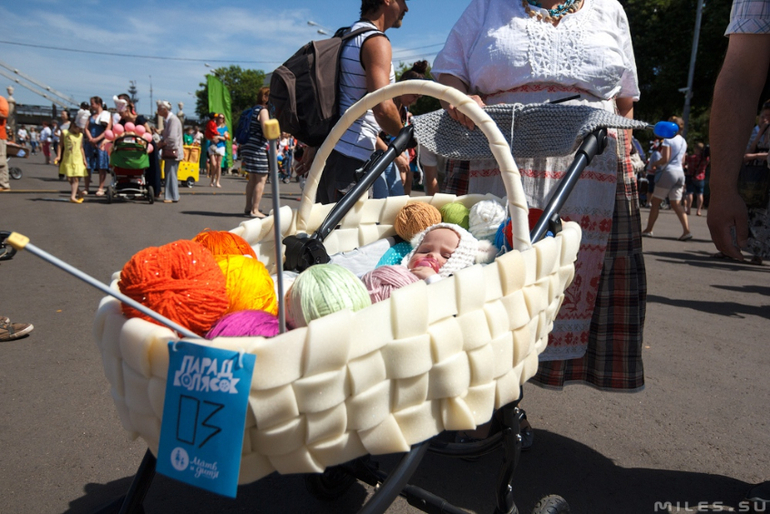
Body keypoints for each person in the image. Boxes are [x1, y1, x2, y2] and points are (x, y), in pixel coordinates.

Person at [432, 0, 646, 398]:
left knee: (566, 271)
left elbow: (625, 98)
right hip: (496, 155)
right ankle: (487, 396)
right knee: (490, 268)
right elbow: (449, 73)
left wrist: (626, 165)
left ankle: (513, 390)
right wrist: (457, 98)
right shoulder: (487, 7)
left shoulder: (609, 9)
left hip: (589, 165)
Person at [300, 0, 409, 204]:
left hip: (331, 150)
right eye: (403, 1)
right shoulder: (376, 41)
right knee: (346, 233)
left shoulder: (345, 36)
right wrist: (406, 135)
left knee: (328, 230)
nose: (406, 8)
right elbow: (383, 109)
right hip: (350, 157)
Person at [373, 60, 428, 198]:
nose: (414, 101)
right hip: (376, 157)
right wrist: (395, 157)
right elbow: (372, 136)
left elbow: (399, 138)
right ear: (404, 85)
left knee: (397, 197)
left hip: (391, 157)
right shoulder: (385, 103)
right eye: (414, 96)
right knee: (382, 199)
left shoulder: (403, 109)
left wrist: (401, 164)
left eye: (418, 97)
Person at [641, 116, 692, 240]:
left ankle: (649, 229)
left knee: (655, 202)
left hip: (669, 173)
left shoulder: (668, 140)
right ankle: (686, 231)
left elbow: (665, 159)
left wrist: (654, 164)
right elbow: (683, 160)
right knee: (676, 203)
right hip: (680, 173)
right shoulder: (683, 141)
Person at [240, 87, 271, 218]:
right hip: (257, 147)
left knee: (252, 178)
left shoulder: (253, 110)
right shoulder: (263, 111)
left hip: (248, 145)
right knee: (262, 178)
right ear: (265, 98)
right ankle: (255, 209)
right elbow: (266, 129)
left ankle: (248, 207)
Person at [57, 110, 89, 203]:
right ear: (74, 125)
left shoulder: (80, 135)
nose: (80, 131)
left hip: (77, 158)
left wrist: (84, 159)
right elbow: (60, 145)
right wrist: (58, 156)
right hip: (68, 158)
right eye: (79, 129)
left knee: (75, 178)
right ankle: (78, 192)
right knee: (69, 178)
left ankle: (73, 197)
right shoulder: (65, 133)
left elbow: (81, 148)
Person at [156, 100, 184, 203]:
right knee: (170, 173)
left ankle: (172, 196)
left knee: (171, 174)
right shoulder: (169, 120)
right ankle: (173, 195)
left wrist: (162, 143)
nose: (157, 111)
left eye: (159, 109)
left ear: (164, 110)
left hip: (173, 151)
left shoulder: (173, 120)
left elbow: (172, 138)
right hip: (172, 151)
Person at [84, 96, 112, 196]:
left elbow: (107, 130)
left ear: (98, 104)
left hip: (102, 142)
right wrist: (91, 138)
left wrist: (97, 139)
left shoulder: (107, 115)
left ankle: (100, 188)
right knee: (88, 164)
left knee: (102, 165)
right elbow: (86, 128)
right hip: (90, 141)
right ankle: (86, 187)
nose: (91, 106)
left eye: (92, 104)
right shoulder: (90, 116)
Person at [686, 142, 709, 217]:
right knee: (700, 194)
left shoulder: (692, 158)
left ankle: (688, 209)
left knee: (690, 193)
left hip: (691, 176)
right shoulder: (706, 159)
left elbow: (686, 161)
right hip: (701, 177)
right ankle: (698, 210)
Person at [208, 113, 228, 188]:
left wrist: (218, 137)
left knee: (218, 165)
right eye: (219, 117)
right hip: (212, 145)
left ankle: (217, 181)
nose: (220, 119)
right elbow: (208, 136)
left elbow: (225, 138)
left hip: (221, 146)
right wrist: (213, 138)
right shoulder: (213, 126)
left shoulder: (224, 127)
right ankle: (212, 179)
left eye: (222, 118)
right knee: (213, 164)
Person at [0, 93, 9, 192]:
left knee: (1, 160)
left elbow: (4, 115)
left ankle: (4, 184)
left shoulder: (1, 100)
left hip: (0, 135)